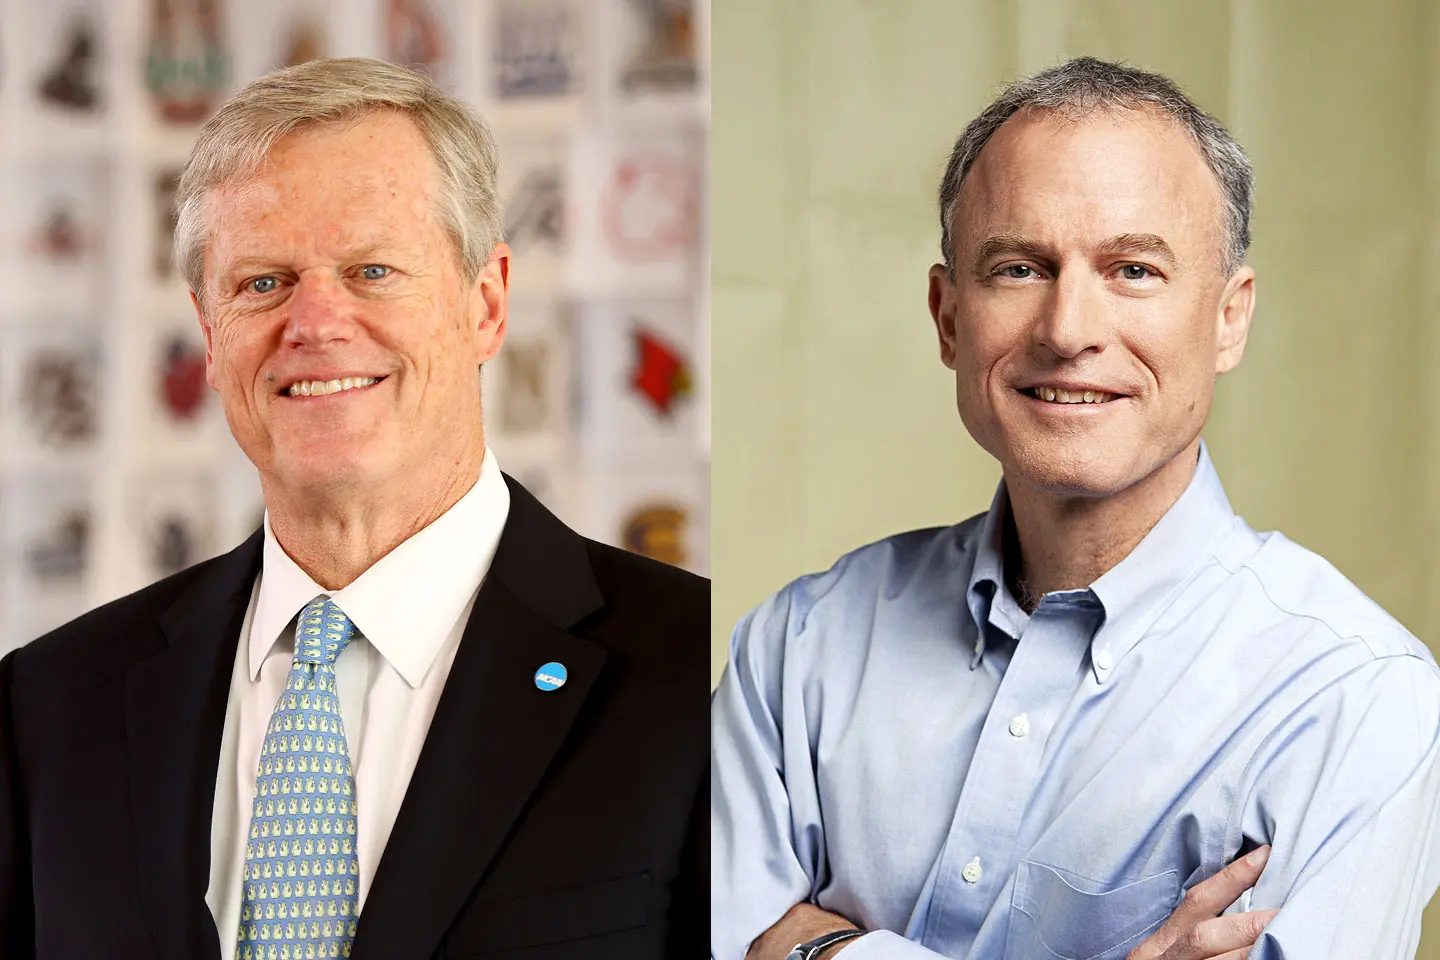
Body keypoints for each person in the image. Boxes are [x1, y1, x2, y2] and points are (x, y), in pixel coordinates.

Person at [711, 57, 1440, 960]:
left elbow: (755, 939)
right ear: (947, 317)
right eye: (1018, 268)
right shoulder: (795, 650)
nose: (1067, 329)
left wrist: (814, 948)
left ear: (1229, 319)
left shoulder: (1352, 698)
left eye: (1134, 270)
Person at [0, 58, 706, 960]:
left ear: (485, 304)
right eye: (263, 283)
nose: (316, 322)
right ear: (209, 335)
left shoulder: (695, 673)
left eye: (372, 270)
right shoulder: (50, 705)